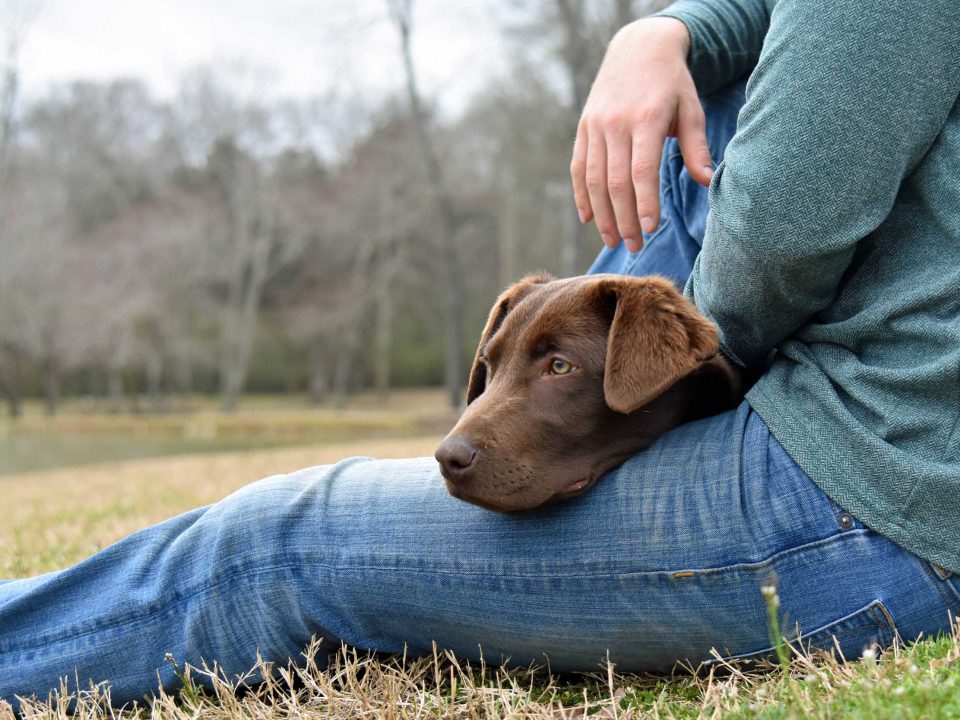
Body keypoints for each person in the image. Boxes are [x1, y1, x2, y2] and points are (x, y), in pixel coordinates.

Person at [2, 0, 959, 708]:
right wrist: (666, 32)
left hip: (869, 505)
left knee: (277, 544)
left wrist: (685, 367)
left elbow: (784, 230)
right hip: (885, 478)